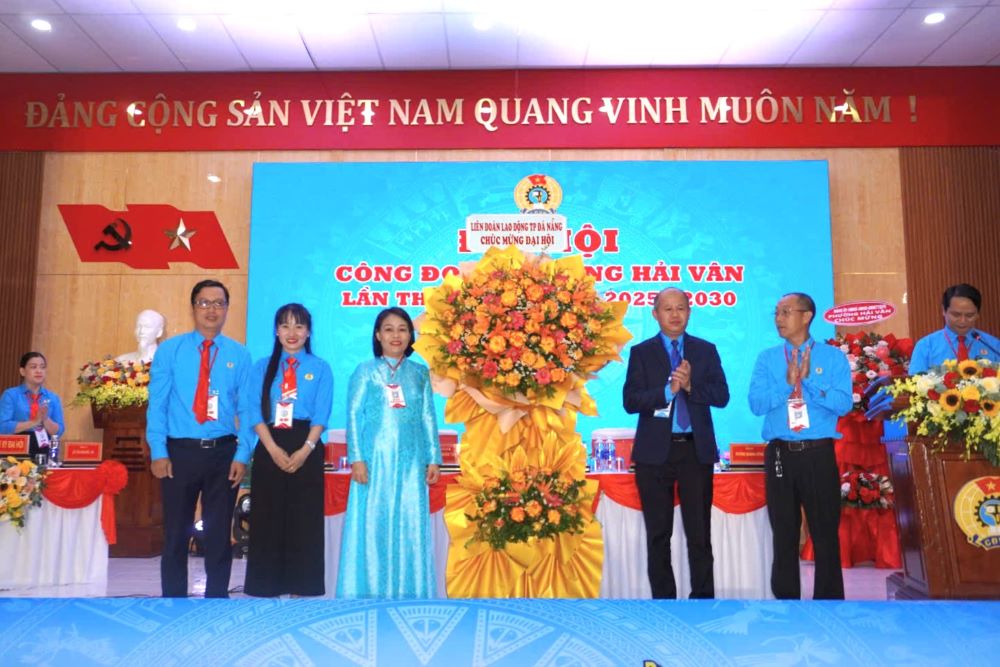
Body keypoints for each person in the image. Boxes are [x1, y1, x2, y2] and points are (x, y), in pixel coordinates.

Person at [146, 279, 253, 598]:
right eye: (204, 303)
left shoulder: (239, 354)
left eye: (218, 303)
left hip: (223, 453)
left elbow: (248, 409)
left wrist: (243, 454)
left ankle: (216, 602)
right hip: (179, 453)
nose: (212, 310)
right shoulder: (171, 351)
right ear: (193, 307)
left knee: (219, 535)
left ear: (227, 309)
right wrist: (158, 451)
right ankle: (174, 603)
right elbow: (158, 404)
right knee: (176, 534)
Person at [623, 287, 730, 599]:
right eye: (667, 309)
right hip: (654, 455)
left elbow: (722, 396)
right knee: (658, 535)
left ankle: (702, 602)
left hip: (695, 452)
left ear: (689, 312)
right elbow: (631, 401)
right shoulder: (641, 353)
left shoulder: (705, 350)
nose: (674, 314)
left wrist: (691, 385)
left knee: (699, 534)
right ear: (655, 314)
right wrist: (668, 391)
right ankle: (664, 604)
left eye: (680, 308)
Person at [748, 292, 852, 600]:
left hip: (818, 453)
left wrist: (808, 382)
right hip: (780, 453)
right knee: (784, 533)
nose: (779, 319)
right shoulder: (767, 358)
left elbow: (844, 404)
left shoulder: (832, 358)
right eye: (777, 313)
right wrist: (786, 382)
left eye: (785, 312)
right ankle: (786, 604)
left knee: (824, 534)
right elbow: (756, 404)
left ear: (807, 316)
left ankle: (830, 604)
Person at [337, 307, 442, 598]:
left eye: (402, 329)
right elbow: (354, 416)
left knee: (410, 525)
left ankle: (411, 591)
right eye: (388, 329)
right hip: (374, 462)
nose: (396, 335)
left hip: (411, 463)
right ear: (377, 335)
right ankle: (367, 591)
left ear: (411, 336)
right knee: (373, 524)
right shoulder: (365, 371)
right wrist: (357, 457)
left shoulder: (419, 373)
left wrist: (433, 458)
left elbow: (427, 417)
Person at [244, 303, 332, 597]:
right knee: (267, 517)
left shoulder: (320, 368)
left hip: (306, 443)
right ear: (276, 331)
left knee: (303, 520)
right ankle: (265, 586)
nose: (291, 333)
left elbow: (322, 414)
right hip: (270, 443)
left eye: (298, 326)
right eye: (285, 326)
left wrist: (306, 449)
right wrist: (269, 447)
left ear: (308, 332)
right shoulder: (261, 367)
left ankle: (302, 586)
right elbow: (253, 411)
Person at [909, 283, 1000, 374]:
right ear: (944, 311)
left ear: (978, 314)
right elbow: (914, 383)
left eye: (969, 315)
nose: (963, 320)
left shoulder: (993, 345)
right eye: (956, 315)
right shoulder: (926, 346)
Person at [0, 352, 65, 458]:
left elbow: (59, 431)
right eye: (33, 367)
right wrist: (34, 422)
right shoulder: (11, 395)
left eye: (42, 367)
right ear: (22, 371)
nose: (39, 371)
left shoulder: (53, 398)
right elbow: (2, 427)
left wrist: (45, 419)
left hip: (44, 450)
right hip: (15, 450)